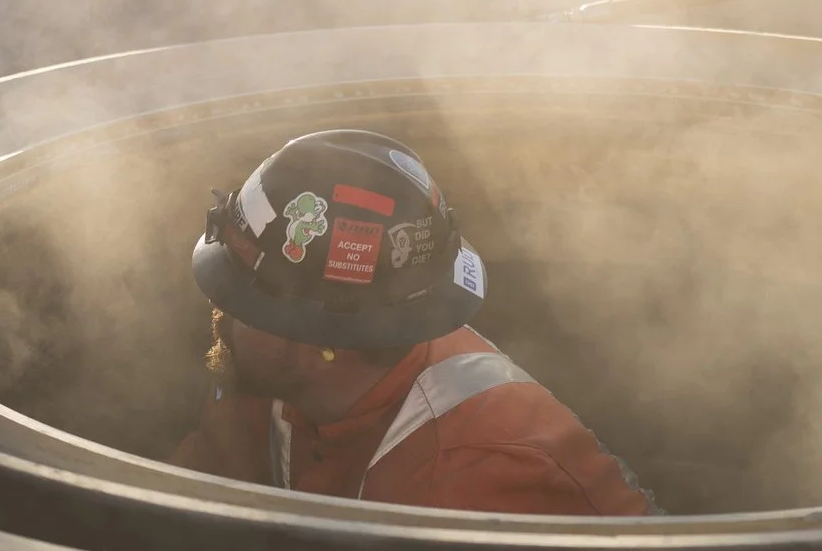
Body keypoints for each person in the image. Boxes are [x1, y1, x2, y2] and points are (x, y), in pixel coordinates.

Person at [174, 129, 654, 516]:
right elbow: (195, 491)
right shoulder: (272, 380)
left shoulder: (471, 482)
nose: (221, 312)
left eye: (247, 304)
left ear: (326, 343)